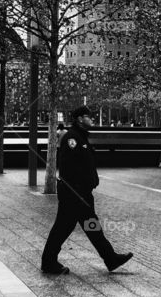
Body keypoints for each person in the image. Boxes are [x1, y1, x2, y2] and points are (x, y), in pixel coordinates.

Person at [41, 105, 133, 275]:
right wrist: (79, 186)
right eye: (88, 116)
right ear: (80, 119)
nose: (91, 119)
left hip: (80, 193)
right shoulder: (72, 138)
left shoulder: (80, 136)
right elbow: (69, 166)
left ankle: (110, 258)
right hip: (74, 194)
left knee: (90, 226)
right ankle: (48, 262)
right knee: (65, 227)